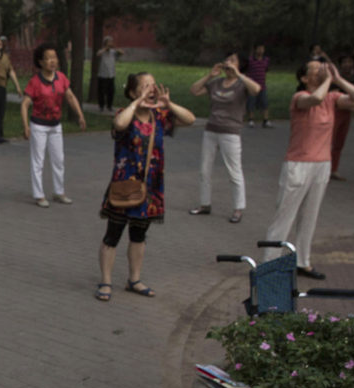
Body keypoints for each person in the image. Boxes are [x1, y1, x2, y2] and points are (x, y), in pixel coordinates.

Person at [262, 60, 354, 280]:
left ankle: (303, 261)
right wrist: (329, 80)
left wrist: (338, 79)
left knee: (310, 216)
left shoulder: (332, 98)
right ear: (304, 78)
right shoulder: (299, 98)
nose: (321, 70)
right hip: (298, 164)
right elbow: (316, 98)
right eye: (316, 69)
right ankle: (269, 264)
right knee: (284, 216)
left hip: (322, 164)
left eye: (323, 68)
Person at [95, 72, 195, 302]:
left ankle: (134, 279)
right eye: (145, 85)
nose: (151, 88)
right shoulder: (125, 114)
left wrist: (169, 104)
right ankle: (106, 281)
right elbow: (119, 124)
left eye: (153, 84)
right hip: (124, 186)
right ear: (132, 92)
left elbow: (190, 119)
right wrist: (135, 104)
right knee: (113, 234)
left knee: (139, 235)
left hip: (151, 187)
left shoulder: (160, 116)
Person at [188, 52, 261, 223]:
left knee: (234, 172)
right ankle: (205, 204)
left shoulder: (241, 84)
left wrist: (239, 75)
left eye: (232, 60)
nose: (228, 63)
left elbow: (256, 90)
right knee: (204, 170)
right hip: (211, 130)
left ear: (239, 65)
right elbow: (194, 90)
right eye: (227, 60)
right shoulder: (216, 83)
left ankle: (238, 208)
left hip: (230, 132)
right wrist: (209, 75)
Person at [20, 42, 86, 208]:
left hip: (55, 126)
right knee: (38, 161)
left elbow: (70, 97)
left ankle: (59, 192)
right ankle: (39, 194)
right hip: (39, 126)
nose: (52, 61)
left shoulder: (61, 78)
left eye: (54, 57)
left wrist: (80, 115)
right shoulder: (35, 82)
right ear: (41, 62)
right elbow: (25, 104)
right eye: (48, 58)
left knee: (59, 160)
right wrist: (26, 126)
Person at [245, 44, 272, 128]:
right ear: (255, 50)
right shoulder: (250, 60)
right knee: (251, 103)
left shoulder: (266, 60)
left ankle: (265, 120)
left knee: (264, 103)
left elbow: (266, 69)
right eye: (259, 49)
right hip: (252, 85)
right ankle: (251, 120)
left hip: (262, 85)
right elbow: (246, 70)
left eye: (262, 49)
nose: (261, 51)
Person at [95, 36, 124, 112]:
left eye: (111, 42)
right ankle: (101, 106)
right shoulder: (102, 51)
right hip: (102, 75)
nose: (110, 43)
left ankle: (109, 106)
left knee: (111, 91)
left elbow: (122, 52)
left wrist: (114, 47)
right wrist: (105, 48)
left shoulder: (113, 52)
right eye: (109, 42)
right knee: (101, 92)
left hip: (111, 75)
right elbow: (98, 54)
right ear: (105, 43)